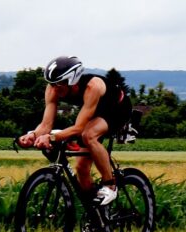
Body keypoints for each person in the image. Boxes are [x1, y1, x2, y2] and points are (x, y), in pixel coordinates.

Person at [18, 56, 132, 207]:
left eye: (59, 83)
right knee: (81, 169)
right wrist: (32, 135)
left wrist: (51, 138)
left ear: (72, 81)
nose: (54, 88)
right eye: (52, 83)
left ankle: (110, 185)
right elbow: (46, 125)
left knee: (88, 135)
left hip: (117, 110)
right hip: (94, 114)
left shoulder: (92, 86)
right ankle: (95, 212)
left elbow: (79, 128)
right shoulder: (53, 89)